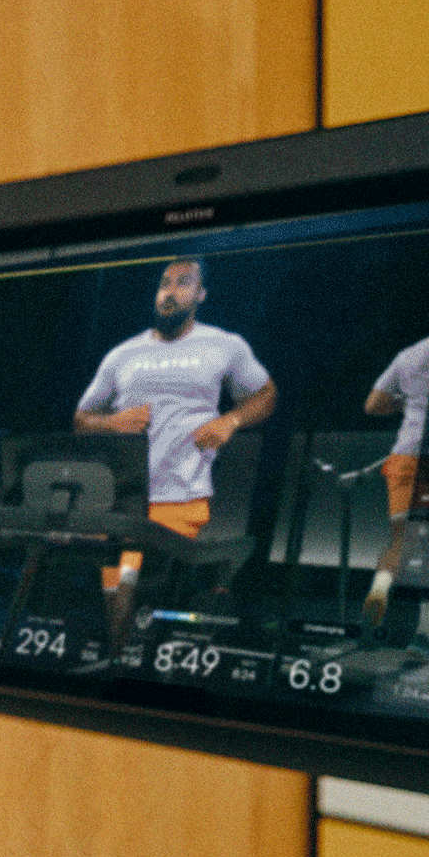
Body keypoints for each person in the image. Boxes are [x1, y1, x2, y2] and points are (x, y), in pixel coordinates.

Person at [73, 258, 275, 649]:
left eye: (183, 283)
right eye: (164, 283)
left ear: (200, 295)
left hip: (179, 492)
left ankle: (125, 668)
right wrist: (112, 423)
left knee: (137, 594)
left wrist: (229, 421)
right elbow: (82, 419)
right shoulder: (122, 355)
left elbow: (266, 396)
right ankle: (119, 669)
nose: (169, 291)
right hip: (121, 497)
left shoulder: (225, 345)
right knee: (118, 600)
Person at [358, 331, 429, 632]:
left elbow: (372, 405)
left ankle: (379, 590)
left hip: (406, 456)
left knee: (401, 540)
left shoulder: (411, 353)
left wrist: (405, 405)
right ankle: (424, 634)